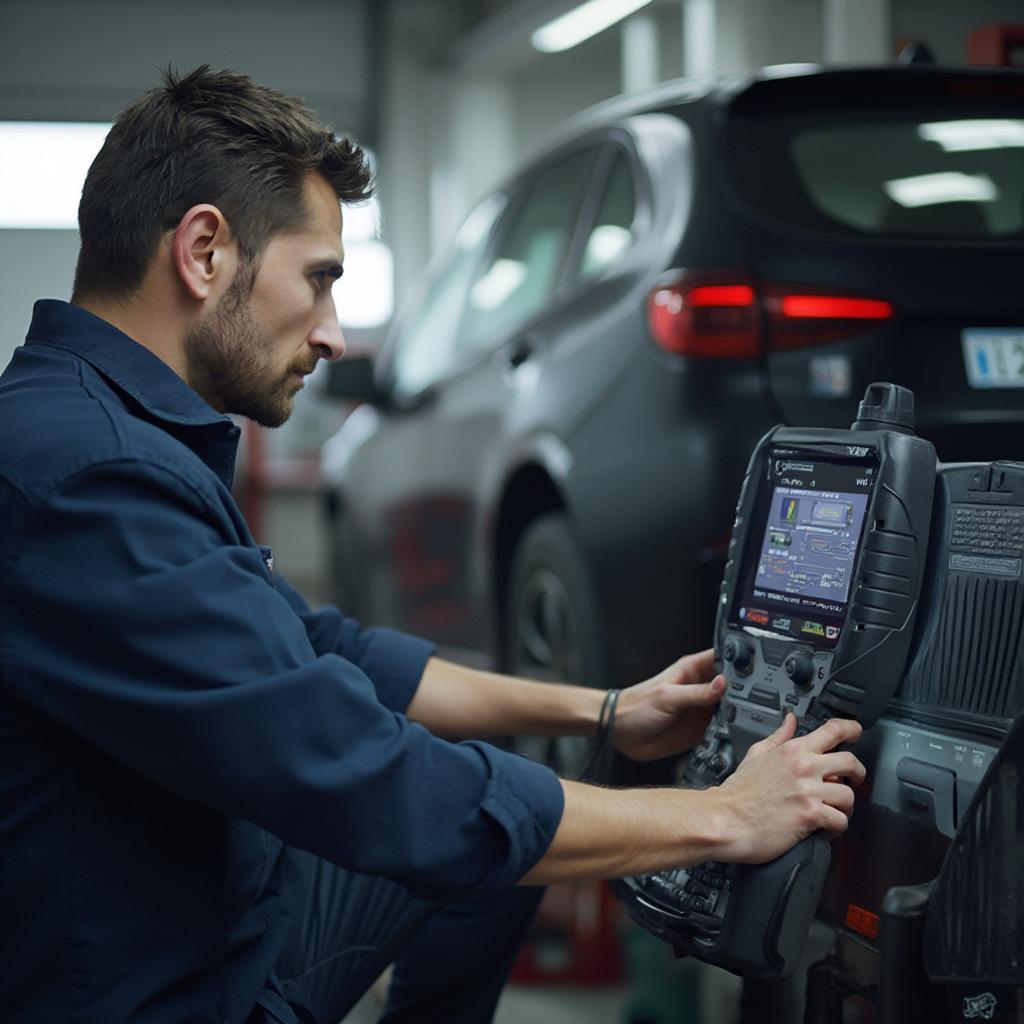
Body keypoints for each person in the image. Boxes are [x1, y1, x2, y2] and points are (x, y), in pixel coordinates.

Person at [0, 67, 865, 1024]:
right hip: (158, 985)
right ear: (204, 251)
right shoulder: (91, 482)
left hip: (196, 897)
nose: (333, 336)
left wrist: (607, 710)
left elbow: (329, 652)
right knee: (474, 815)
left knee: (503, 787)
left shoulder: (100, 436)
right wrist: (722, 817)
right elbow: (370, 781)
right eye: (320, 279)